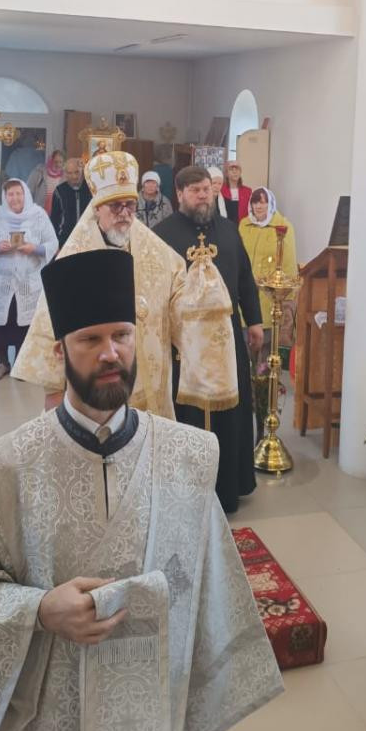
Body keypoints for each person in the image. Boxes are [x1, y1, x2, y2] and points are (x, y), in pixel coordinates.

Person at [0, 248, 283, 731]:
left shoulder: (189, 456)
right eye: (90, 339)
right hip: (56, 716)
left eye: (121, 336)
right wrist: (39, 610)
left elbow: (214, 598)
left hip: (159, 710)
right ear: (59, 352)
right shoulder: (1, 469)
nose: (110, 353)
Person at [13, 151, 186, 418]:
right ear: (97, 209)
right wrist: (54, 389)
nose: (125, 214)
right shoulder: (74, 255)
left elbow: (181, 294)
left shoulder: (157, 251)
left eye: (130, 205)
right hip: (96, 375)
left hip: (148, 378)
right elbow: (50, 324)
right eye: (115, 206)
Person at [154, 165, 264, 514]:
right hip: (183, 346)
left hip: (227, 340)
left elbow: (245, 278)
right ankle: (187, 491)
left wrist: (255, 321)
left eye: (206, 189)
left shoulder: (229, 231)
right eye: (195, 190)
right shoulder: (162, 235)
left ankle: (229, 486)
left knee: (231, 414)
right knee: (188, 415)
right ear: (180, 194)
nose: (203, 196)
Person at [0, 178, 58, 380]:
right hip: (0, 283)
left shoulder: (38, 215)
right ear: (5, 197)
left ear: (25, 194)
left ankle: (22, 364)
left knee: (24, 324)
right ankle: (2, 363)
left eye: (18, 193)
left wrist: (35, 248)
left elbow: (52, 242)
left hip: (28, 282)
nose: (14, 198)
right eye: (10, 194)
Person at [239, 187, 299, 345]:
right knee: (244, 345)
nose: (258, 206)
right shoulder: (244, 225)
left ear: (271, 204)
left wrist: (288, 299)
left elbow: (289, 263)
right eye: (255, 202)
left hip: (269, 296)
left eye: (263, 202)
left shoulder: (283, 226)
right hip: (245, 293)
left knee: (267, 346)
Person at [53, 155, 92, 242]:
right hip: (64, 239)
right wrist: (56, 240)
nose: (74, 176)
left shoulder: (91, 188)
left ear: (82, 171)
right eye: (70, 173)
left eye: (77, 172)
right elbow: (54, 218)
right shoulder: (59, 191)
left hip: (88, 238)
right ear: (65, 174)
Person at [27, 146, 65, 210]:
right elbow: (28, 193)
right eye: (55, 162)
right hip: (39, 212)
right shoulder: (38, 173)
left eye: (60, 162)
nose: (58, 165)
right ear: (50, 161)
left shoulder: (65, 177)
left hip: (57, 213)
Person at [221, 159, 251, 225]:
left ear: (240, 172)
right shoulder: (221, 190)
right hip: (226, 225)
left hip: (243, 226)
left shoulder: (248, 191)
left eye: (237, 169)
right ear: (226, 173)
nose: (235, 172)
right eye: (231, 169)